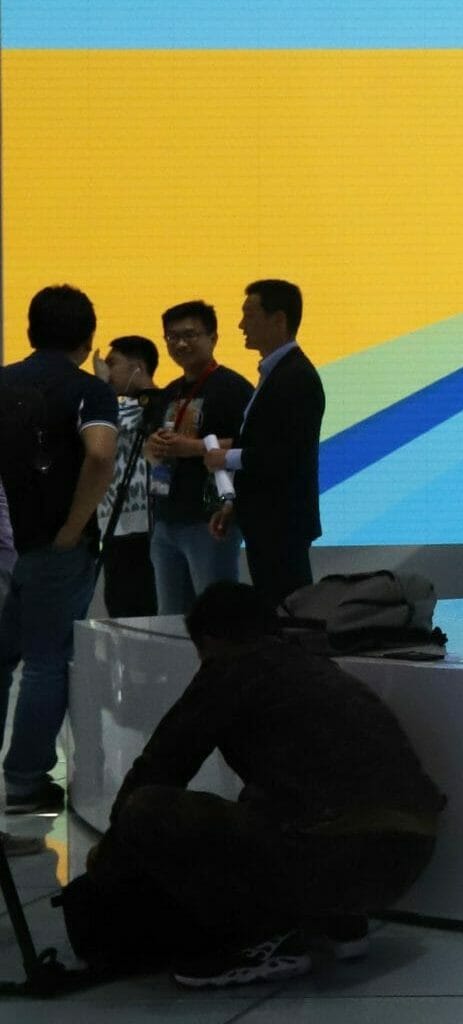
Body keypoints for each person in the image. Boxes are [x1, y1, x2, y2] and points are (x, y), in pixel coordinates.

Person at [69, 582, 442, 987]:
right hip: (410, 854)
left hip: (333, 856)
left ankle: (262, 940)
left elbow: (160, 766)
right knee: (277, 803)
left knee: (148, 810)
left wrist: (106, 867)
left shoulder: (231, 668)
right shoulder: (314, 665)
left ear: (209, 641)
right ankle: (340, 922)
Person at [0, 285, 121, 817]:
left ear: (30, 330)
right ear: (87, 336)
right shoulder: (88, 390)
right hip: (55, 546)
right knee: (47, 663)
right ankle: (25, 782)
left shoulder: (4, 382)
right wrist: (74, 527)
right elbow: (99, 455)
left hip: (8, 540)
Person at [204, 281, 326, 603]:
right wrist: (234, 504)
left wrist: (224, 459)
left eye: (249, 315)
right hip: (268, 522)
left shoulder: (295, 377)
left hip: (282, 524)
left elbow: (283, 455)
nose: (241, 325)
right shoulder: (277, 373)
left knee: (290, 616)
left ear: (278, 320)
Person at [143, 301, 255, 615]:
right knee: (170, 620)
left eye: (190, 334)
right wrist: (153, 445)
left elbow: (250, 445)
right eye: (171, 337)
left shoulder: (233, 388)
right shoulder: (169, 392)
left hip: (209, 517)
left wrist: (190, 447)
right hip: (166, 518)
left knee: (217, 615)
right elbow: (152, 445)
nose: (180, 343)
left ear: (213, 337)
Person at [95, 335, 163, 618]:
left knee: (146, 609)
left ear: (137, 366)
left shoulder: (161, 403)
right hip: (112, 527)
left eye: (113, 363)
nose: (106, 371)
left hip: (147, 527)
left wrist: (101, 388)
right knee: (119, 610)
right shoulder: (111, 406)